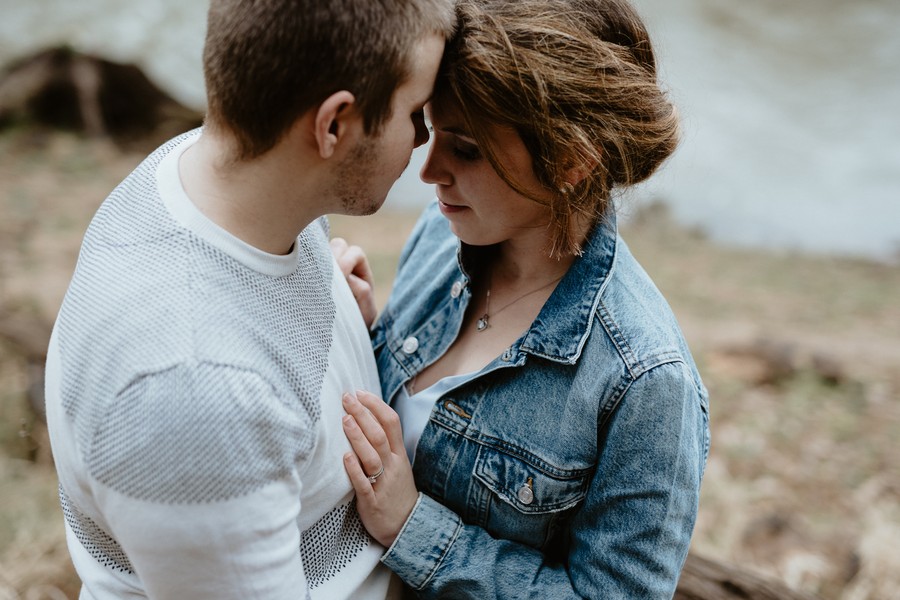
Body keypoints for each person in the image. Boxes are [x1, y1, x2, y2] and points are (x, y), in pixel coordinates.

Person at [43, 1, 454, 598]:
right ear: (333, 125)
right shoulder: (190, 391)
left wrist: (338, 321)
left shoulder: (212, 178)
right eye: (415, 113)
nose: (423, 139)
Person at [333, 0, 710, 597]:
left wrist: (413, 526)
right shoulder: (442, 234)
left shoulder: (646, 382)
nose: (428, 171)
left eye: (467, 149)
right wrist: (355, 334)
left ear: (569, 162)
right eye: (431, 131)